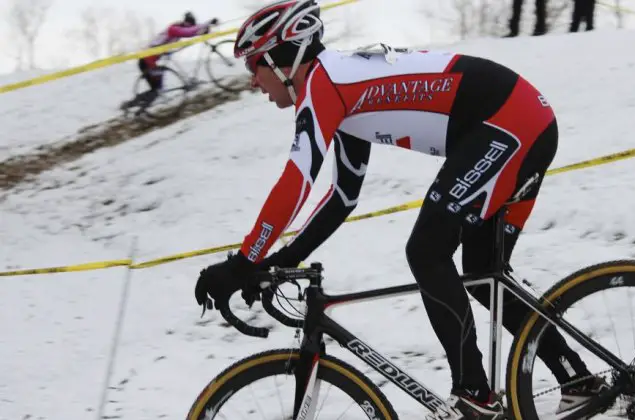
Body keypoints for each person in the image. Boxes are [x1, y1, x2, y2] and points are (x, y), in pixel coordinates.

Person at [193, 0, 607, 418]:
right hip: (515, 122)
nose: (253, 82)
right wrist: (280, 260)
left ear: (282, 60)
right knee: (482, 274)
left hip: (510, 123)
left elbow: (296, 182)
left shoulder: (324, 84)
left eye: (253, 67)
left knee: (427, 250)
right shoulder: (338, 87)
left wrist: (244, 261)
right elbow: (342, 198)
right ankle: (578, 381)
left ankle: (475, 397)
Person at [137, 12, 219, 95]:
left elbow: (192, 30)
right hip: (146, 59)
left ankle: (147, 99)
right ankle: (140, 102)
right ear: (186, 23)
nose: (190, 26)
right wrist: (207, 23)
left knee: (156, 88)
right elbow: (189, 32)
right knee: (156, 89)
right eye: (189, 25)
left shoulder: (180, 27)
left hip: (152, 57)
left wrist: (204, 29)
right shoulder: (174, 29)